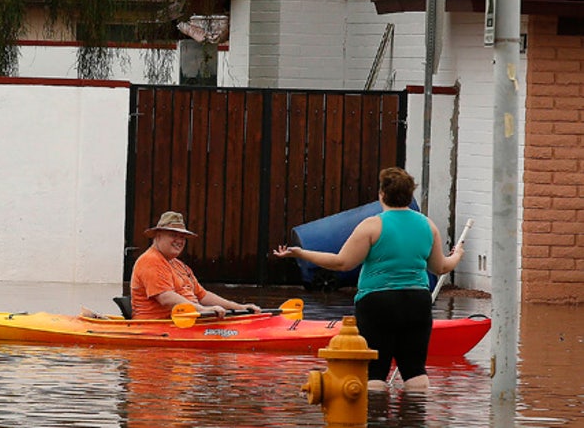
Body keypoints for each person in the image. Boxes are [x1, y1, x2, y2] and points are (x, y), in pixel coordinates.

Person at [273, 167, 464, 392]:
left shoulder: (372, 226)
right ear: (410, 195)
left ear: (381, 194)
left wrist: (301, 253)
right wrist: (458, 255)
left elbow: (341, 263)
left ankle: (376, 418)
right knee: (415, 372)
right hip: (417, 302)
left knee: (375, 373)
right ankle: (415, 418)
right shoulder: (427, 226)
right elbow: (440, 267)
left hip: (377, 303)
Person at [130, 211, 260, 320]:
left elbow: (202, 295)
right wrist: (203, 310)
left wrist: (239, 307)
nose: (179, 241)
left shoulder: (179, 265)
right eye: (173, 235)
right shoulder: (151, 260)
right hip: (160, 325)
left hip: (188, 320)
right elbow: (166, 298)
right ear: (158, 236)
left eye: (182, 237)